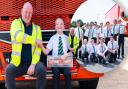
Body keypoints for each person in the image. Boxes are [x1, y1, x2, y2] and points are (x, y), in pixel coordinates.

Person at [5, 2, 46, 89]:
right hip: (18, 64)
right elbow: (18, 36)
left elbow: (38, 50)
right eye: (26, 12)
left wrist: (33, 65)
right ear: (21, 11)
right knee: (8, 71)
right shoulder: (15, 23)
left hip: (32, 63)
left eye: (30, 13)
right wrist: (34, 40)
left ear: (32, 14)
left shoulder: (37, 28)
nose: (27, 15)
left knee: (42, 69)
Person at [37, 18, 72, 89]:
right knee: (56, 73)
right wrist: (41, 46)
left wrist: (66, 54)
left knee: (67, 73)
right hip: (55, 62)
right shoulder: (52, 38)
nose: (59, 25)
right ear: (55, 27)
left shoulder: (67, 38)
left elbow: (72, 51)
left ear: (64, 27)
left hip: (65, 62)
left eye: (61, 24)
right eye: (57, 24)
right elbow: (46, 52)